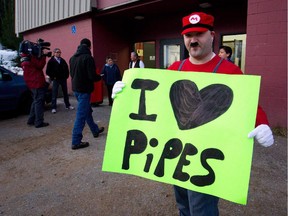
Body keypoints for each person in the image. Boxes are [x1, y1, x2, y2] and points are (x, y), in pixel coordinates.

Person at [112, 11, 274, 216]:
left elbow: (250, 105)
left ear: (212, 35)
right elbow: (153, 101)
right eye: (189, 36)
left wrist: (262, 123)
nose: (193, 40)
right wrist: (125, 95)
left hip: (206, 158)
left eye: (199, 34)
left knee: (201, 209)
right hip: (175, 154)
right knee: (183, 206)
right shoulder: (174, 69)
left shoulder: (230, 71)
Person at [69, 38, 104, 150]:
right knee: (81, 115)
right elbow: (92, 76)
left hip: (76, 90)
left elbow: (72, 74)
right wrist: (100, 77)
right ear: (89, 47)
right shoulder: (88, 58)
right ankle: (76, 141)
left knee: (87, 111)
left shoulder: (72, 58)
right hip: (84, 90)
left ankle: (95, 130)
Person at [21, 51, 49, 128]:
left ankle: (31, 120)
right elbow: (40, 65)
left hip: (32, 84)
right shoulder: (31, 58)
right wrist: (43, 57)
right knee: (39, 103)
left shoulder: (24, 59)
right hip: (37, 83)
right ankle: (39, 122)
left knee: (35, 101)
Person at [46, 48, 74, 114]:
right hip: (56, 79)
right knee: (54, 93)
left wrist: (66, 76)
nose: (59, 53)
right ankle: (53, 107)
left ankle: (68, 105)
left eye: (60, 52)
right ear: (54, 53)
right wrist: (53, 77)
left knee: (65, 93)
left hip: (63, 79)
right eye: (57, 52)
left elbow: (67, 68)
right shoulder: (51, 61)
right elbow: (48, 71)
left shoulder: (62, 60)